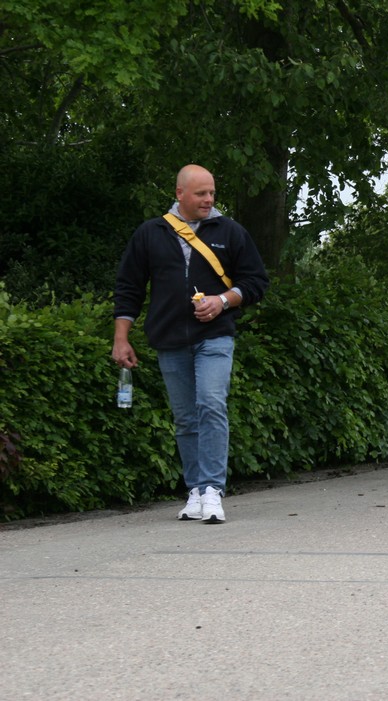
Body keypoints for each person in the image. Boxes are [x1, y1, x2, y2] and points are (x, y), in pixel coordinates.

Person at [112, 164, 270, 523]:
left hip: (215, 336)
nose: (209, 199)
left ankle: (213, 489)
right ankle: (196, 490)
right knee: (185, 418)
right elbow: (128, 288)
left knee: (211, 404)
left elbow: (257, 282)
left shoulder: (230, 231)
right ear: (180, 193)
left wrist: (223, 301)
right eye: (201, 193)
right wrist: (121, 338)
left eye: (212, 192)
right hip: (169, 339)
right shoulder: (150, 233)